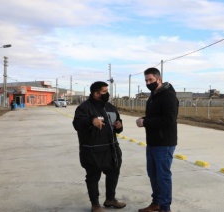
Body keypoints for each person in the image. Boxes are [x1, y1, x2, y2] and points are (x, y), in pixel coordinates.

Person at [73, 81, 126, 212]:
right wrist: (92, 120)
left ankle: (110, 199)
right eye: (104, 92)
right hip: (92, 151)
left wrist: (119, 125)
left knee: (113, 174)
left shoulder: (111, 107)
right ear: (96, 93)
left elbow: (117, 125)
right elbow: (77, 124)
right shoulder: (84, 108)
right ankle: (95, 205)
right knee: (93, 177)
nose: (107, 94)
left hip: (111, 149)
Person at [136, 67, 179, 212]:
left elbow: (169, 119)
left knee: (163, 176)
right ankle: (156, 202)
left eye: (151, 80)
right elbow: (155, 117)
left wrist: (146, 122)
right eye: (146, 80)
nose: (148, 83)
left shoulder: (168, 96)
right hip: (152, 142)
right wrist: (144, 119)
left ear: (159, 79)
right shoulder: (153, 96)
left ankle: (165, 208)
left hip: (164, 143)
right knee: (153, 175)